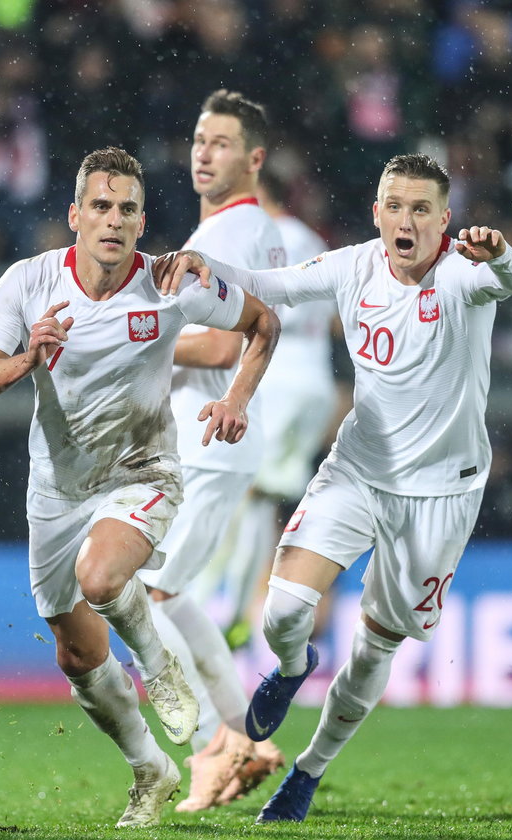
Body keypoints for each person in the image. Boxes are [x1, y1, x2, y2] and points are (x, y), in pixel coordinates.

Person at [154, 152, 512, 822]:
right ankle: (293, 667)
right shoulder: (354, 265)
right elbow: (268, 283)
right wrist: (206, 271)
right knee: (283, 613)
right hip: (358, 470)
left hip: (441, 495)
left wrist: (501, 252)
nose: (407, 219)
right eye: (396, 205)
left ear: (444, 219)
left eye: (422, 209)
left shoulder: (464, 273)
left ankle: (308, 771)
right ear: (378, 211)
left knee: (375, 647)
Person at [0, 147, 280, 828]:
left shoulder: (172, 283)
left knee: (102, 579)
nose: (113, 220)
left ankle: (159, 666)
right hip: (56, 490)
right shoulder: (28, 281)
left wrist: (238, 400)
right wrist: (25, 358)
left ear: (141, 223)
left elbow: (262, 324)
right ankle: (149, 767)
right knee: (75, 654)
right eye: (100, 207)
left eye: (127, 209)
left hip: (142, 473)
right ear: (75, 216)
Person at [135, 89, 286, 811]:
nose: (203, 152)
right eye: (199, 139)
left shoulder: (226, 237)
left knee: (144, 593)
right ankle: (244, 736)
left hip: (210, 437)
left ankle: (213, 748)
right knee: (172, 592)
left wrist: (139, 346)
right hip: (215, 440)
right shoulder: (252, 231)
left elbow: (225, 341)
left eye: (220, 142)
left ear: (254, 158)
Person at [210, 168, 337, 650]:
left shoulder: (264, 238)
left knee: (246, 495)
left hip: (277, 380)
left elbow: (245, 310)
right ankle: (258, 608)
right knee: (269, 503)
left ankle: (232, 610)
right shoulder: (314, 242)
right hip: (315, 383)